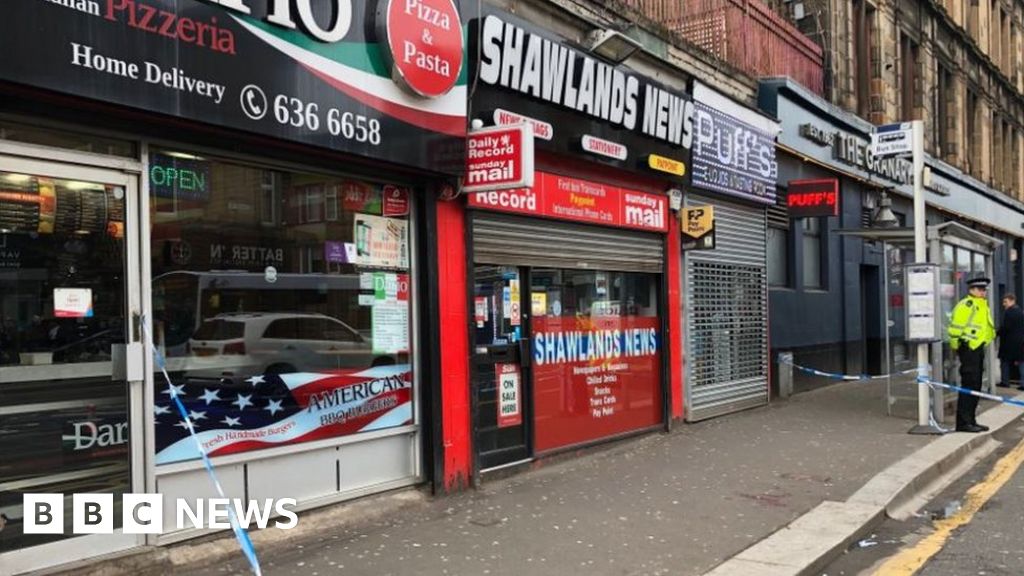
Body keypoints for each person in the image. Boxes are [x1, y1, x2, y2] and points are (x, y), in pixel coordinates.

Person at [948, 276, 997, 433]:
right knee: (969, 384)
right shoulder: (967, 305)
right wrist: (958, 347)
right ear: (972, 290)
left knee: (975, 385)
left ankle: (971, 420)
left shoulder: (981, 305)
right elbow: (955, 328)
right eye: (980, 289)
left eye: (984, 290)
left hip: (977, 348)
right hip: (968, 348)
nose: (983, 292)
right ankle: (963, 422)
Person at [997, 293, 1024, 389]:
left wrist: (997, 333)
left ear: (1012, 301)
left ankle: (1005, 381)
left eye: (1005, 302)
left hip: (1008, 342)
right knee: (1021, 362)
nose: (1004, 304)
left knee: (1004, 361)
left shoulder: (1008, 313)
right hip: (1020, 341)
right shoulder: (1020, 311)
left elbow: (1005, 327)